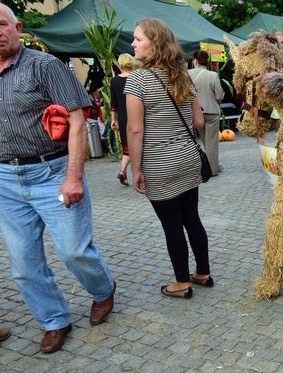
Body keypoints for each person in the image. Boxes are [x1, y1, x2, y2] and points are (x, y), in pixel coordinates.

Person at [0, 2, 116, 353]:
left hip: (52, 172)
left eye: (0, 25)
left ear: (17, 27)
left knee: (74, 251)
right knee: (23, 264)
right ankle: (53, 320)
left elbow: (78, 121)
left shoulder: (44, 65)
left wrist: (73, 177)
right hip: (5, 179)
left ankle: (103, 290)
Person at [125, 18, 212, 299]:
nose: (133, 44)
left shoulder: (138, 79)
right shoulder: (182, 75)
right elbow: (198, 121)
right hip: (187, 157)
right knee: (192, 219)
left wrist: (135, 169)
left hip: (158, 162)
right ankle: (203, 272)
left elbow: (135, 129)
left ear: (155, 43)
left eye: (138, 39)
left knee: (172, 225)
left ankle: (181, 283)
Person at [188, 49, 224, 177]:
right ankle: (213, 169)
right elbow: (219, 95)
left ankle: (204, 166)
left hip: (195, 111)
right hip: (212, 111)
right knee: (212, 141)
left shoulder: (187, 74)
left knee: (203, 140)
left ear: (195, 60)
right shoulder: (213, 75)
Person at [110, 53, 139, 186]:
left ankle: (123, 171)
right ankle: (137, 173)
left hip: (122, 116)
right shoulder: (136, 78)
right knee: (139, 143)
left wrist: (113, 119)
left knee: (126, 145)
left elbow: (113, 103)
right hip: (136, 114)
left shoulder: (114, 81)